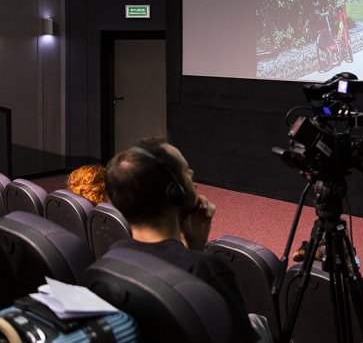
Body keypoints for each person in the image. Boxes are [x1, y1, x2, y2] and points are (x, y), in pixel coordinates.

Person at [104, 138, 269, 342]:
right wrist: (197, 252)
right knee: (259, 323)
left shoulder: (113, 256)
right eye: (185, 169)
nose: (192, 173)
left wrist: (195, 247)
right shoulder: (208, 270)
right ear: (175, 193)